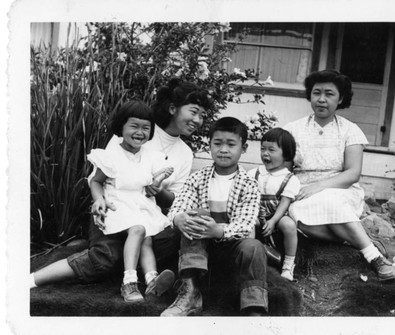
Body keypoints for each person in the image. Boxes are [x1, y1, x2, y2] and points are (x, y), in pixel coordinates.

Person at [30, 78, 213, 295]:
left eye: (202, 115)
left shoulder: (184, 153)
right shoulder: (136, 134)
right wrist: (99, 201)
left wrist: (159, 191)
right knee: (106, 258)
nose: (198, 120)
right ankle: (37, 278)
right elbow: (99, 178)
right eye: (193, 112)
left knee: (171, 238)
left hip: (147, 214)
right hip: (114, 208)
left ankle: (161, 281)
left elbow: (176, 198)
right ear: (173, 108)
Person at [283, 69, 395, 281]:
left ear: (341, 98)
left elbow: (352, 173)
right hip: (302, 190)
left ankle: (374, 257)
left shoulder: (350, 130)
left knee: (329, 202)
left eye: (329, 94)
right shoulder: (292, 129)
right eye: (316, 93)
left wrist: (319, 186)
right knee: (295, 217)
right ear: (310, 95)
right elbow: (285, 170)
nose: (322, 99)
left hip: (340, 189)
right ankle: (353, 237)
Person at [160, 117, 267, 317]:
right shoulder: (197, 178)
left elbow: (245, 225)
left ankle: (254, 309)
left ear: (243, 148)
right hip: (198, 249)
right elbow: (176, 208)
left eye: (231, 144)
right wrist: (178, 219)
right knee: (194, 216)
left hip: (231, 249)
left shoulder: (248, 184)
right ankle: (190, 292)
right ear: (209, 146)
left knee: (254, 246)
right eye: (217, 143)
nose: (223, 149)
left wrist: (218, 230)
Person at [86, 100, 175, 302]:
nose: (140, 132)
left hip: (140, 204)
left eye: (146, 128)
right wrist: (98, 199)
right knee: (137, 229)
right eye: (134, 126)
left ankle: (152, 278)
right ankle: (129, 282)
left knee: (146, 239)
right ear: (121, 126)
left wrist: (157, 182)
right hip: (117, 204)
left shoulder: (151, 157)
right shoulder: (111, 155)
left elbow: (149, 185)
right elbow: (96, 182)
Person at [248, 128, 300, 281]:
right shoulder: (253, 173)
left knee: (289, 226)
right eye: (262, 149)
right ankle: (249, 258)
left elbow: (285, 202)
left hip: (278, 215)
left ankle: (288, 265)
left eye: (271, 150)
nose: (265, 153)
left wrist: (273, 220)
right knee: (249, 223)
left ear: (286, 154)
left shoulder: (289, 179)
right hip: (256, 213)